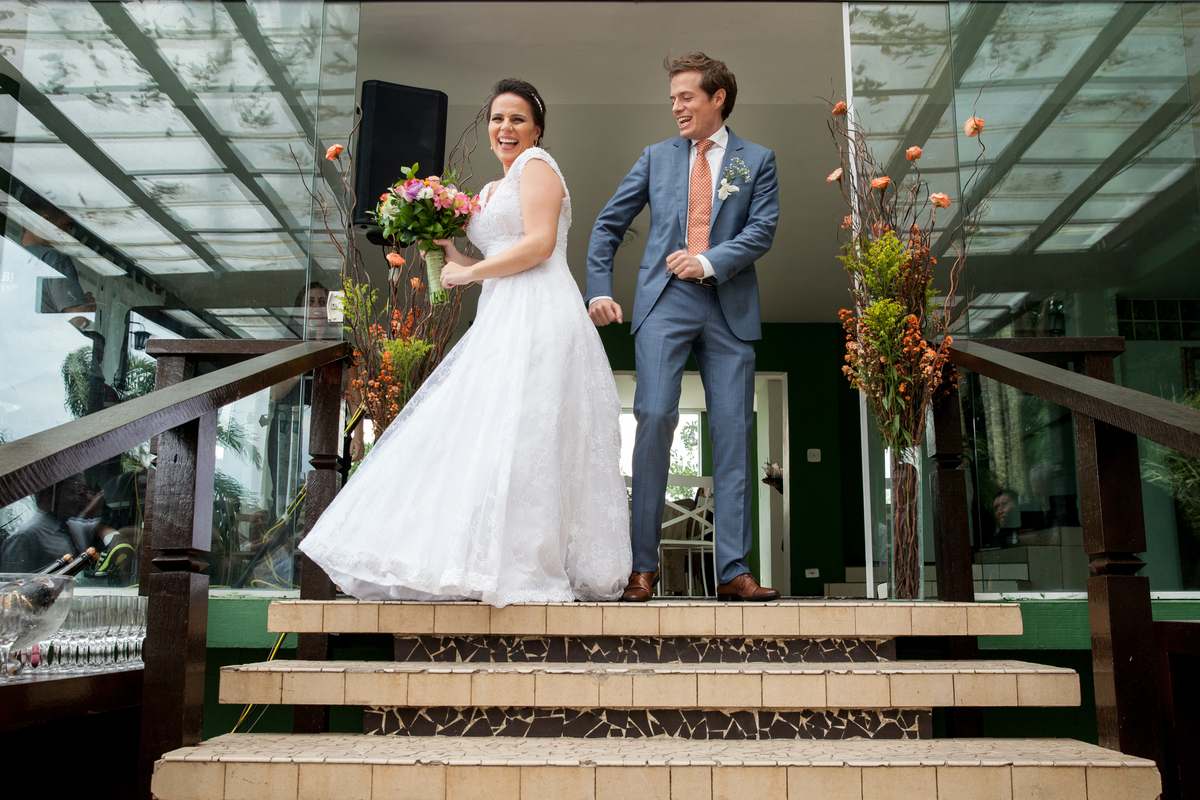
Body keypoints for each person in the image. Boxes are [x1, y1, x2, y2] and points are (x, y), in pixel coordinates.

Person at [298, 79, 631, 606]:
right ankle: (479, 558)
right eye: (498, 118)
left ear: (537, 129)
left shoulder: (538, 166)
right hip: (502, 313)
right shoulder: (492, 190)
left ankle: (529, 564)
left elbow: (539, 245)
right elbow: (490, 252)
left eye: (518, 119)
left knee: (530, 433)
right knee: (492, 431)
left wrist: (470, 272)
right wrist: (447, 247)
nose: (506, 128)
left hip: (541, 311)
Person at [586, 53, 781, 602]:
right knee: (652, 419)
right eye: (672, 98)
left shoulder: (757, 160)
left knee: (734, 431)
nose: (676, 107)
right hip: (665, 302)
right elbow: (608, 225)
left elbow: (761, 231)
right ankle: (641, 568)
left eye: (686, 97)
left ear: (718, 98)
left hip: (728, 307)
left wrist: (708, 261)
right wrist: (599, 289)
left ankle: (733, 572)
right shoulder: (656, 157)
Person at [0, 474, 121, 572]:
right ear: (49, 494)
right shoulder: (26, 535)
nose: (77, 499)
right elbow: (13, 585)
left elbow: (100, 526)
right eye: (71, 492)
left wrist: (119, 544)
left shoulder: (72, 526)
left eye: (79, 493)